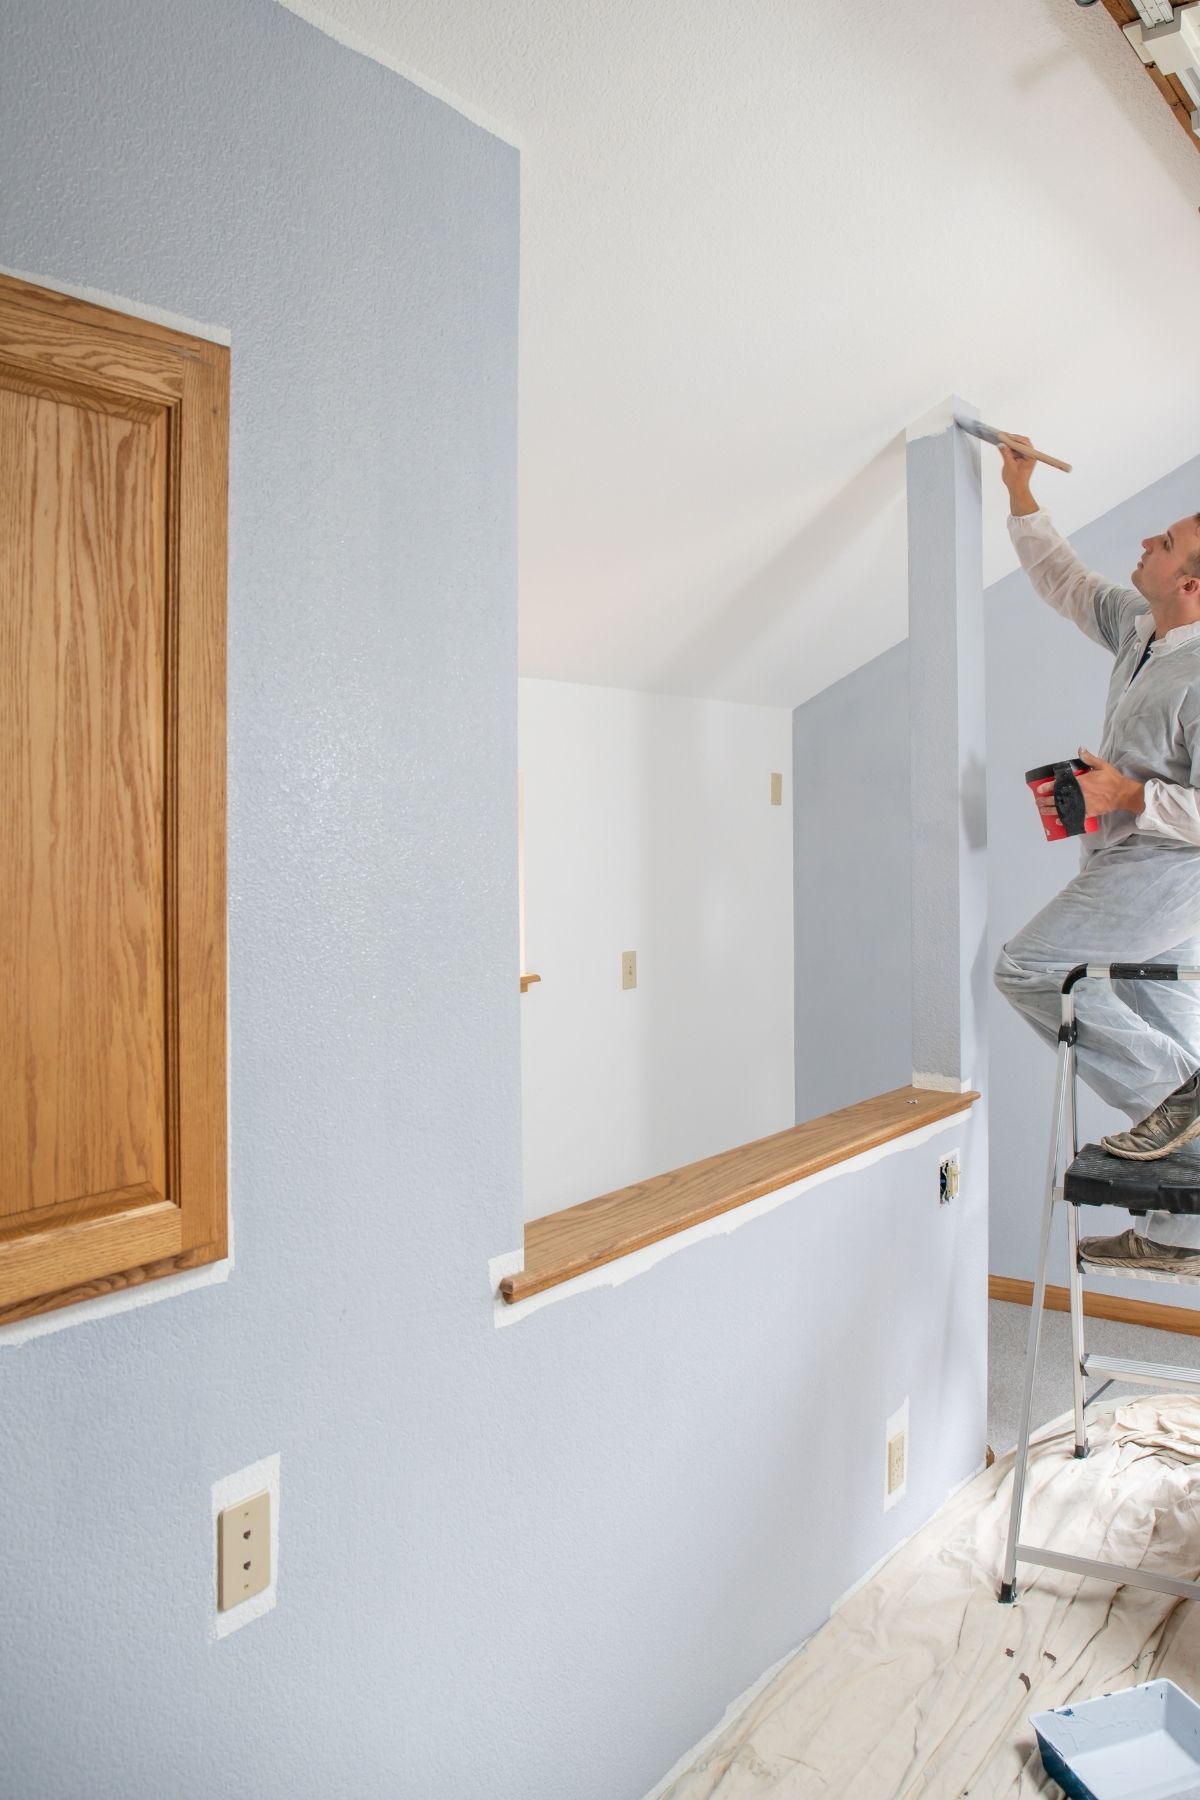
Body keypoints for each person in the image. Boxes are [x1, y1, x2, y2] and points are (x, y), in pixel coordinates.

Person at [995, 436, 1200, 1271]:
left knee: (1033, 970)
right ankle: (1180, 1237)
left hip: (1164, 879)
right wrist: (1019, 490)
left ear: (1190, 581)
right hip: (1131, 875)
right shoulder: (1138, 630)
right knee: (1174, 1035)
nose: (1146, 542)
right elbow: (1066, 582)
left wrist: (1130, 797)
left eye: (1166, 542)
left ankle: (1182, 1105)